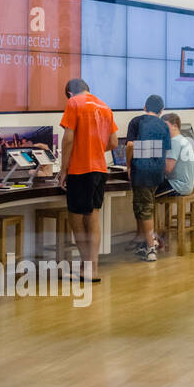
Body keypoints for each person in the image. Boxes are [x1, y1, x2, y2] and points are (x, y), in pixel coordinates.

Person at [58, 78, 119, 282]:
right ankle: (93, 268)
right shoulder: (104, 106)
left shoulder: (74, 103)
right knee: (92, 216)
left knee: (75, 217)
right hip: (100, 169)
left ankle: (86, 267)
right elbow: (113, 142)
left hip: (80, 169)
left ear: (69, 93)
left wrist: (63, 169)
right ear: (88, 89)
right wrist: (95, 146)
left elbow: (68, 139)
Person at [126, 94, 174, 262]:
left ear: (144, 107)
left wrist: (129, 165)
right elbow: (164, 149)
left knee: (144, 208)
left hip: (141, 169)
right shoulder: (164, 125)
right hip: (157, 171)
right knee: (144, 205)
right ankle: (143, 243)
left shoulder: (137, 122)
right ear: (162, 110)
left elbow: (131, 146)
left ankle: (150, 248)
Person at [161, 113, 194, 197]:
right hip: (186, 186)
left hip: (177, 186)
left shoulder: (174, 141)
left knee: (146, 190)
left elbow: (167, 168)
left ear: (174, 126)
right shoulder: (183, 140)